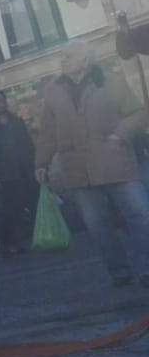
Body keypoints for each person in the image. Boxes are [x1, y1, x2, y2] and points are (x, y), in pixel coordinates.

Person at [35, 42, 149, 288]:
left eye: (68, 56)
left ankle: (147, 269)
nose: (62, 60)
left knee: (140, 215)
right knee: (97, 225)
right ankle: (119, 271)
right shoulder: (53, 90)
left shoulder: (110, 81)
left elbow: (139, 113)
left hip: (116, 162)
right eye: (61, 56)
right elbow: (47, 131)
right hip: (78, 169)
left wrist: (122, 133)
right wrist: (42, 161)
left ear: (85, 60)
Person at [0, 89, 39, 257]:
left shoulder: (16, 121)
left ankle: (17, 241)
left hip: (22, 172)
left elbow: (28, 147)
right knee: (6, 213)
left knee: (19, 210)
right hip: (1, 176)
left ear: (5, 102)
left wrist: (35, 167)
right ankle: (6, 243)